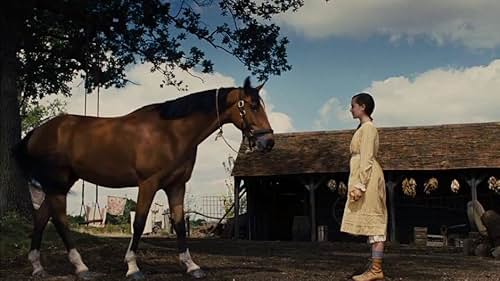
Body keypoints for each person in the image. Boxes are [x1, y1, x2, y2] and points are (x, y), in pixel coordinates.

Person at [340, 92, 387, 281]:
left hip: (368, 178)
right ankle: (374, 266)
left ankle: (376, 270)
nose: (351, 109)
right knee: (370, 223)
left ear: (362, 107)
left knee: (375, 222)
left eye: (353, 105)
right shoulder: (363, 128)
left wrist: (360, 185)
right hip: (362, 175)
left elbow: (367, 158)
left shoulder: (368, 129)